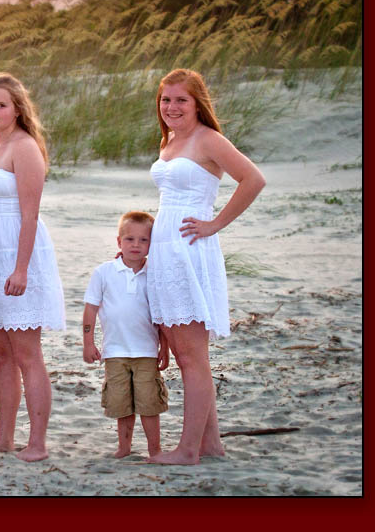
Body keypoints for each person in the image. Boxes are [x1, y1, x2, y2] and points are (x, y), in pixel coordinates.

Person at [146, 69, 266, 465]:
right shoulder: (172, 140)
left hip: (190, 252)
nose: (171, 107)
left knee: (193, 356)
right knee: (184, 354)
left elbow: (253, 179)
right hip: (165, 252)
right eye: (166, 99)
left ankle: (187, 450)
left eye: (181, 100)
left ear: (198, 103)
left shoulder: (208, 139)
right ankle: (211, 444)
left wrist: (215, 224)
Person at [0, 72, 65, 462]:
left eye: (0, 104)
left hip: (20, 251)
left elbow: (30, 215)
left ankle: (36, 442)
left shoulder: (24, 147)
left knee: (27, 353)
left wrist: (20, 269)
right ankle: (4, 437)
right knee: (1, 353)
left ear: (17, 109)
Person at [82, 211, 170, 459]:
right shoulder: (104, 272)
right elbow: (90, 310)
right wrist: (88, 343)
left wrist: (165, 347)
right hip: (114, 352)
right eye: (130, 239)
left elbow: (161, 316)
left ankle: (155, 450)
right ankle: (124, 448)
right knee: (122, 405)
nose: (136, 245)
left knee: (149, 404)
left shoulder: (155, 273)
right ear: (118, 241)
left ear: (152, 245)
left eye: (144, 240)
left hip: (146, 352)